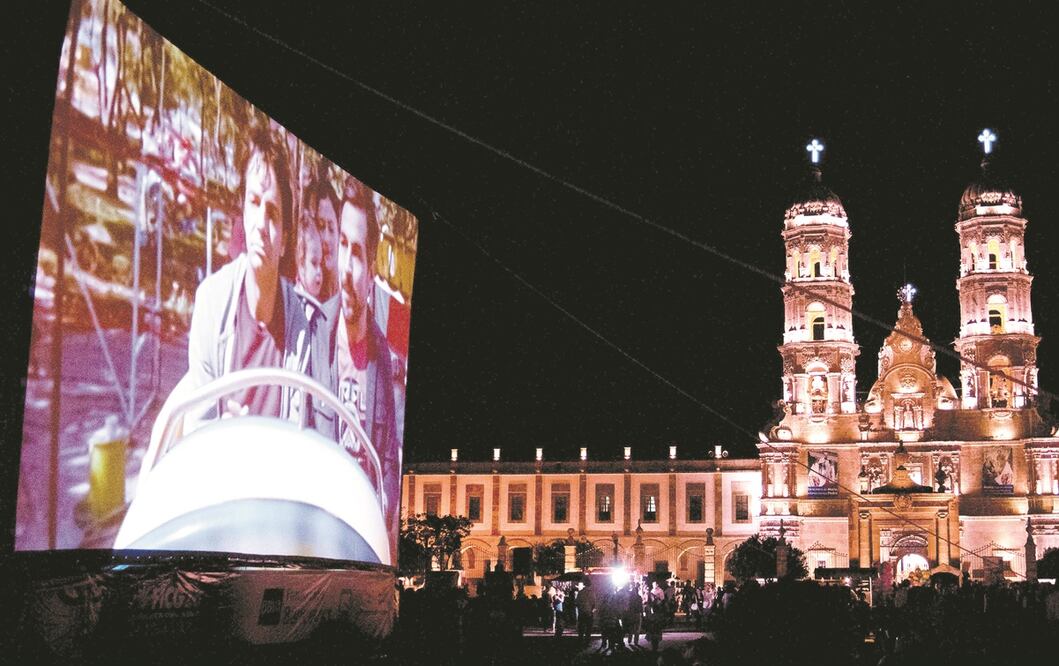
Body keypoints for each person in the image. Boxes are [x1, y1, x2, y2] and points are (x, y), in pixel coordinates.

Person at [154, 125, 334, 446]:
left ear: (284, 242)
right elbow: (196, 434)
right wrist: (220, 433)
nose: (260, 225)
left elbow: (299, 440)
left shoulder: (302, 330)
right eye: (253, 202)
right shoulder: (211, 303)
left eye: (273, 213)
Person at [331, 176, 401, 548]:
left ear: (371, 269)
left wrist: (381, 512)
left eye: (356, 253)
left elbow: (389, 461)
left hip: (359, 535)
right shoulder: (313, 337)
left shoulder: (382, 355)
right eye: (342, 245)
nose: (345, 267)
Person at [295, 212, 324, 301]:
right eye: (314, 263)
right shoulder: (293, 301)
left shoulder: (319, 306)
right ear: (301, 265)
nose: (319, 271)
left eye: (321, 264)